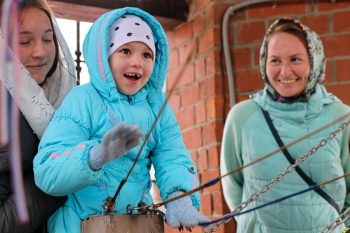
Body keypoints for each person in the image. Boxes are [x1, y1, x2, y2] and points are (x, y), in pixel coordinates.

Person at [33, 7, 210, 233]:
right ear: (105, 57)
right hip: (78, 225)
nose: (137, 62)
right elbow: (47, 170)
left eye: (147, 55)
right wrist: (96, 156)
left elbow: (172, 155)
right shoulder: (83, 99)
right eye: (125, 51)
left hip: (135, 224)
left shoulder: (157, 106)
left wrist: (179, 196)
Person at [220, 17, 350, 233]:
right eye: (275, 61)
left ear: (314, 61)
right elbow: (233, 186)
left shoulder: (341, 117)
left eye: (296, 59)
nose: (285, 72)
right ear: (264, 63)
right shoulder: (242, 117)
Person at [0, 0, 76, 232]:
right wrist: (63, 175)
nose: (40, 51)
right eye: (24, 41)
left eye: (47, 38)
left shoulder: (68, 103)